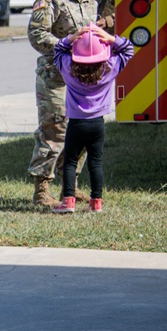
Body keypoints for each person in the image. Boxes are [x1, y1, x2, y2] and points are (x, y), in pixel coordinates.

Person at [26, 0, 99, 207]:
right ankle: (41, 189)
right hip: (54, 77)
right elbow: (36, 35)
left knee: (80, 131)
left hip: (83, 80)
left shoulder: (90, 2)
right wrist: (65, 42)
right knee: (54, 130)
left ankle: (71, 185)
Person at [50, 25, 133, 213]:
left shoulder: (67, 67)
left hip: (76, 123)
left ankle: (68, 202)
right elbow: (128, 48)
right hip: (97, 124)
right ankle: (96, 203)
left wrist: (71, 37)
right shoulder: (110, 67)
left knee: (70, 160)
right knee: (95, 162)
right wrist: (109, 37)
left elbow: (57, 49)